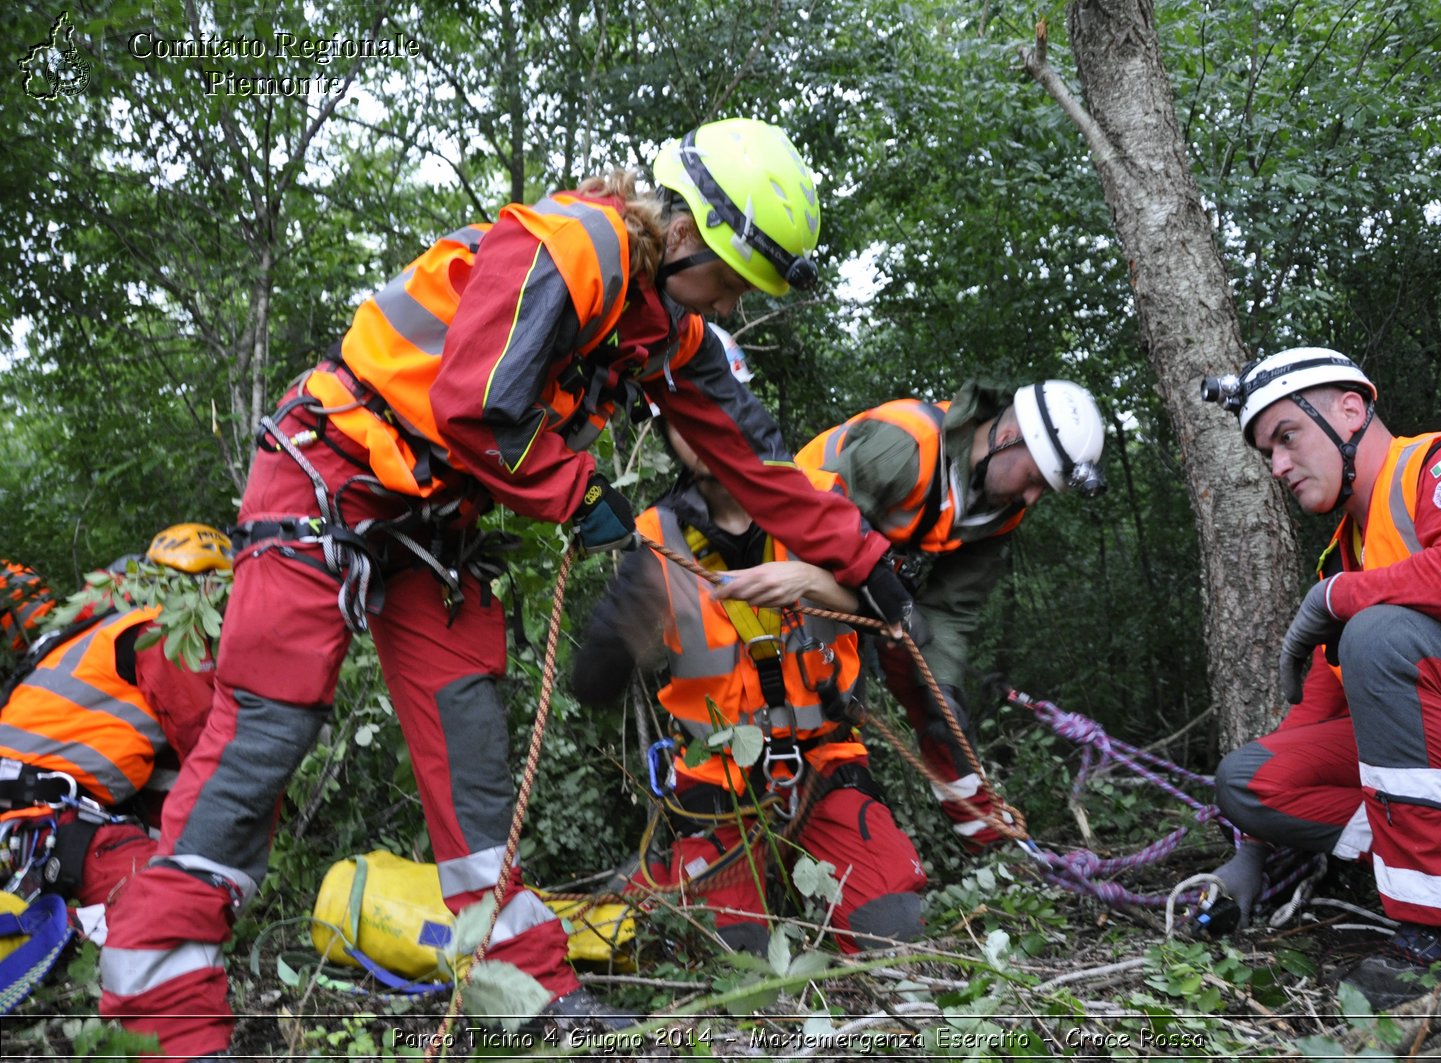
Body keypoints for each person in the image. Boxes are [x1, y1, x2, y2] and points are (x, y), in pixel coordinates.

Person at [99, 118, 915, 1060]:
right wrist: (581, 496)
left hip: (433, 527)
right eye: (730, 280)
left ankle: (528, 987)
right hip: (329, 475)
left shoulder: (664, 330)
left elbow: (762, 472)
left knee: (472, 744)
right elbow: (474, 407)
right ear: (685, 233)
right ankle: (160, 1005)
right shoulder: (571, 246)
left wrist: (868, 565)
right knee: (269, 728)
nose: (728, 305)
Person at [1202, 347, 1441, 1008]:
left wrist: (1333, 602)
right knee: (1248, 779)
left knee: (1379, 633)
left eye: (1286, 437)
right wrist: (1253, 846)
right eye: (1266, 452)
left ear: (1351, 410)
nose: (1277, 465)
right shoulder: (1352, 554)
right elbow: (1318, 716)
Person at [571, 409, 927, 955]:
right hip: (721, 785)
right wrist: (623, 625)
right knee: (737, 952)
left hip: (824, 768)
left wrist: (812, 581)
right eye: (686, 424)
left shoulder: (820, 500)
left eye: (712, 410)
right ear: (670, 436)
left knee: (891, 923)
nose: (705, 433)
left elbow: (903, 619)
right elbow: (592, 684)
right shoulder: (657, 537)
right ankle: (665, 880)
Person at [719, 380, 1107, 852]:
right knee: (805, 699)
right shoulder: (907, 445)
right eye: (1033, 480)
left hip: (861, 585)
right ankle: (746, 812)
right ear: (1010, 437)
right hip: (782, 553)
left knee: (938, 697)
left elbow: (949, 609)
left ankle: (981, 831)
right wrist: (874, 590)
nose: (1030, 500)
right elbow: (812, 519)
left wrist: (939, 692)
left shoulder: (999, 514)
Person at [0, 525, 226, 908]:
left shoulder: (88, 632)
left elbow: (173, 771)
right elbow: (208, 742)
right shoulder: (161, 630)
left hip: (27, 815)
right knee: (179, 903)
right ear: (205, 587)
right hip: (44, 820)